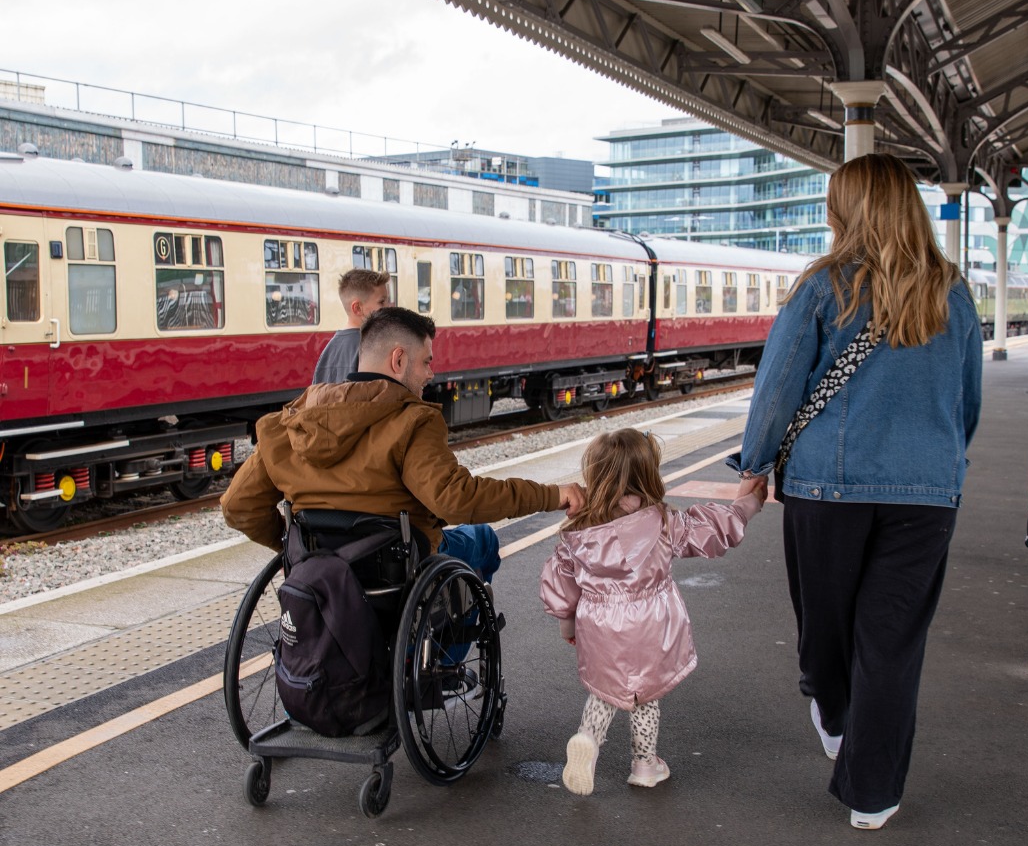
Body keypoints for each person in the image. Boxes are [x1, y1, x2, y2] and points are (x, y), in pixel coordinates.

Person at [729, 153, 982, 831]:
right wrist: (938, 461)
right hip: (926, 493)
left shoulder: (822, 286)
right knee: (892, 640)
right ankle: (873, 791)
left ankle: (842, 724)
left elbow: (779, 383)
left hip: (827, 488)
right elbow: (967, 402)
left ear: (850, 210)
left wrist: (755, 461)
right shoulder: (951, 292)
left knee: (826, 628)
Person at [223, 306, 585, 581]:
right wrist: (552, 495)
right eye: (426, 362)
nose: (431, 373)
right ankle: (450, 657)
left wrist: (297, 549)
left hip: (319, 571)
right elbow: (458, 500)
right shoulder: (413, 420)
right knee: (483, 540)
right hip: (400, 570)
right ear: (398, 359)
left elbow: (238, 506)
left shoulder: (285, 425)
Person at [540, 427, 767, 796]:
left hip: (599, 624)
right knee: (644, 695)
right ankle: (645, 764)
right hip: (651, 624)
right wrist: (749, 503)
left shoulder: (578, 530)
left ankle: (588, 740)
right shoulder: (663, 521)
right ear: (647, 474)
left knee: (605, 691)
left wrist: (567, 621)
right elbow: (711, 529)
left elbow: (561, 578)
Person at [312, 268, 392, 384]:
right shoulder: (371, 347)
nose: (388, 307)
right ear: (358, 308)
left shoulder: (329, 350)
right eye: (382, 302)